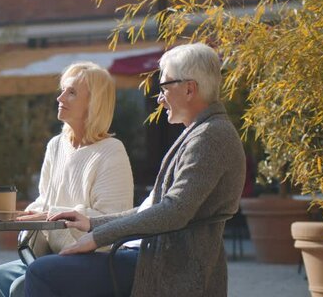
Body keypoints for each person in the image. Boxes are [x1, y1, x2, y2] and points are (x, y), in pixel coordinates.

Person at [26, 43, 246, 297]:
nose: (159, 97)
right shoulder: (200, 132)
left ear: (189, 89)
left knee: (42, 272)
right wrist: (92, 224)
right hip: (151, 254)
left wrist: (98, 237)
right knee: (38, 271)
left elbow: (174, 211)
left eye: (164, 86)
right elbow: (155, 208)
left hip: (168, 264)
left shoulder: (211, 136)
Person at [0, 62, 134, 297]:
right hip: (51, 254)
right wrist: (22, 215)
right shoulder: (56, 145)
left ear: (94, 103)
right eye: (62, 90)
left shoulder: (111, 151)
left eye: (71, 92)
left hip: (95, 258)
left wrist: (51, 214)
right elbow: (45, 200)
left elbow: (111, 221)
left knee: (19, 287)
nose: (60, 97)